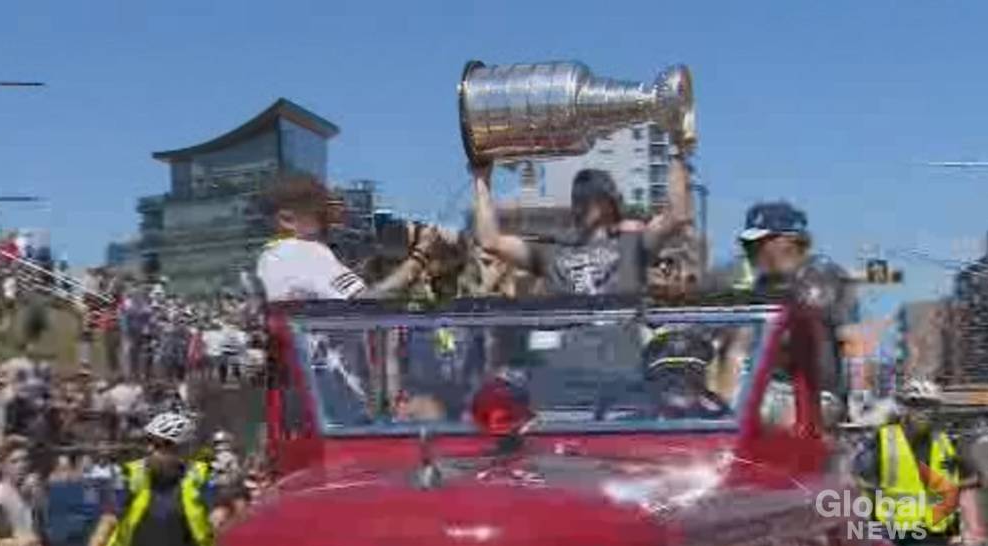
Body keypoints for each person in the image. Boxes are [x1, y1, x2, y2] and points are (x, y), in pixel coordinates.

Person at [471, 149, 694, 296]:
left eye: (589, 199)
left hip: (622, 360)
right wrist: (481, 179)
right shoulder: (552, 252)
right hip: (569, 360)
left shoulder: (632, 245)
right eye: (579, 199)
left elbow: (677, 216)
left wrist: (678, 152)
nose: (581, 205)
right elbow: (490, 241)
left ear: (606, 203)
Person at [853, 379, 981, 546]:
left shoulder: (948, 441)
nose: (925, 412)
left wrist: (972, 531)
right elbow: (863, 491)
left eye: (930, 406)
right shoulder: (882, 441)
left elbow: (966, 488)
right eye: (917, 404)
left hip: (940, 545)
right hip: (896, 543)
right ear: (904, 407)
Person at [80, 412, 225, 546]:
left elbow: (216, 521)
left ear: (184, 450)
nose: (152, 450)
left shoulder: (200, 477)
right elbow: (109, 519)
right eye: (150, 442)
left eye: (163, 445)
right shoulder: (131, 475)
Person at [737, 201, 856, 398]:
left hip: (813, 397)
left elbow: (802, 326)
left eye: (761, 242)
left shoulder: (820, 274)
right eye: (748, 245)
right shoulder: (761, 286)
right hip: (766, 394)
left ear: (788, 241)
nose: (751, 251)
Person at [255, 175, 440, 302]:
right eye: (322, 213)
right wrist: (420, 255)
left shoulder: (270, 257)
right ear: (288, 220)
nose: (332, 220)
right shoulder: (304, 252)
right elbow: (366, 302)